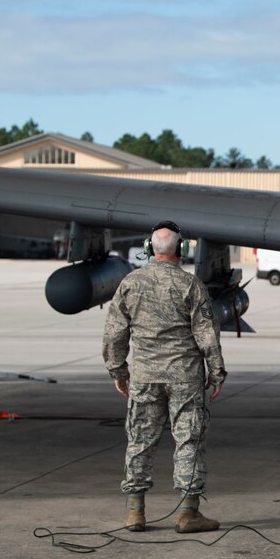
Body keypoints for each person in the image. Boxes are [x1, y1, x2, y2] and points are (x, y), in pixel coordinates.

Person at [103, 220, 228, 533]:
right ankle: (188, 513)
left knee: (140, 441)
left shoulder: (130, 283)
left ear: (149, 249)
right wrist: (216, 372)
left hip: (145, 376)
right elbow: (206, 333)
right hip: (184, 378)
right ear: (182, 249)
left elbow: (114, 333)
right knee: (189, 441)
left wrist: (118, 370)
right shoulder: (191, 285)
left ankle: (135, 512)